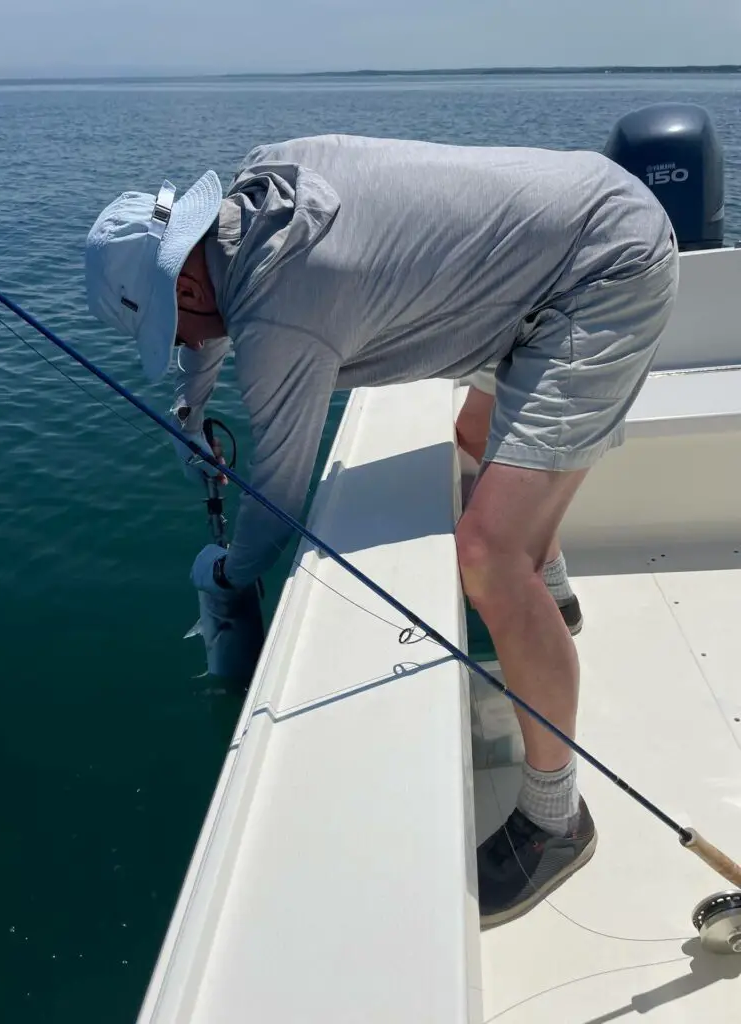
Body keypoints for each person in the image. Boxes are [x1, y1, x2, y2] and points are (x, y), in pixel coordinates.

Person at [84, 133, 679, 925]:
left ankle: (554, 819)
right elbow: (213, 305)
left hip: (602, 275)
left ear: (185, 285)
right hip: (569, 234)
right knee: (476, 441)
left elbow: (282, 497)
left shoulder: (284, 317)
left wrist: (228, 574)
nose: (186, 344)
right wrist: (191, 412)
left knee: (491, 555)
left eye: (173, 330)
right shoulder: (263, 187)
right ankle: (556, 604)